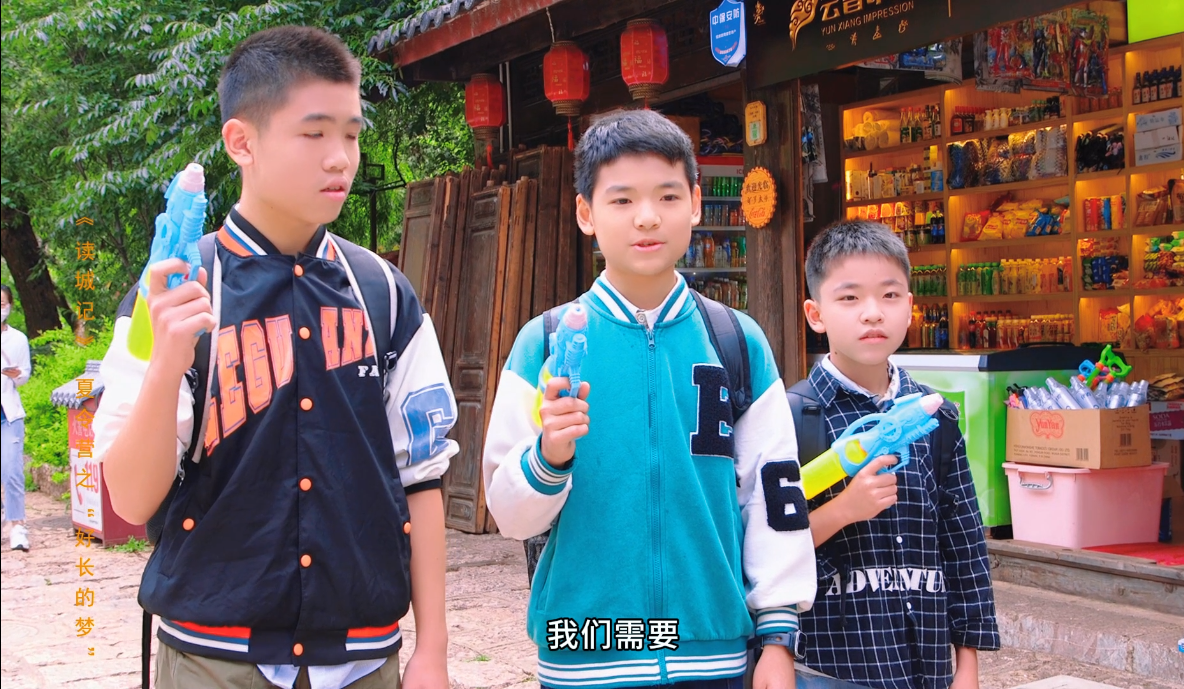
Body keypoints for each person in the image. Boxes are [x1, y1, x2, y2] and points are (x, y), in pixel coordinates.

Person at [92, 26, 457, 689]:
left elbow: (422, 477)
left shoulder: (381, 293)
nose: (340, 159)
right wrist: (169, 357)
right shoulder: (170, 294)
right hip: (212, 660)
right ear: (242, 142)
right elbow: (132, 496)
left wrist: (432, 649)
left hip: (366, 657)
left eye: (351, 135)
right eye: (313, 134)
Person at [482, 109, 817, 689]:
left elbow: (772, 494)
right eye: (621, 200)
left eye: (667, 196)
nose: (646, 217)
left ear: (695, 203)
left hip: (711, 650)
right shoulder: (546, 343)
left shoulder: (736, 341)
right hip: (585, 650)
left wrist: (778, 637)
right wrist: (549, 457)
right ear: (586, 213)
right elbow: (509, 515)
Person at [790, 221, 998, 689]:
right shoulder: (795, 417)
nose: (872, 314)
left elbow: (963, 544)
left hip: (926, 665)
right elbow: (765, 549)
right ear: (815, 314)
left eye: (889, 295)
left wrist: (967, 665)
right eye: (849, 298)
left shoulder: (936, 418)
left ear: (910, 307)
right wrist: (844, 510)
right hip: (828, 667)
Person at [1, 285, 32, 552]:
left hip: (8, 414)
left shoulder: (17, 339)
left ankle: (17, 526)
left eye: (2, 304)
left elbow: (24, 375)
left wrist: (16, 374)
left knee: (11, 470)